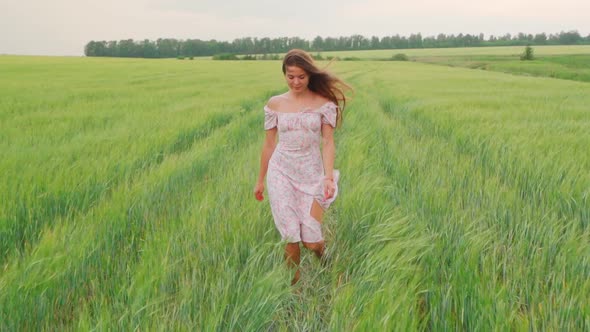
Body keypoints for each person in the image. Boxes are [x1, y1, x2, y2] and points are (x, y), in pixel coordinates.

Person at [253, 49, 350, 285]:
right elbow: (268, 144)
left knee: (312, 241)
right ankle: (294, 290)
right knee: (290, 235)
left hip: (312, 175)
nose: (296, 81)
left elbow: (328, 142)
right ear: (284, 75)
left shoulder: (323, 104)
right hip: (281, 172)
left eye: (301, 77)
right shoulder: (275, 103)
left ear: (309, 76)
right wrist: (260, 180)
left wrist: (328, 177)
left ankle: (325, 260)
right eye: (290, 76)